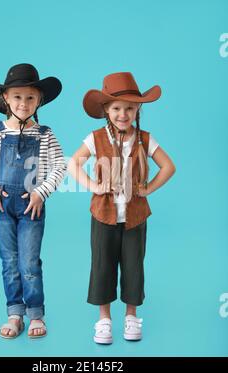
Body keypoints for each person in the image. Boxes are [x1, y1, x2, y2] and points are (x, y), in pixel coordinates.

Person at [68, 72, 175, 344]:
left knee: (133, 266)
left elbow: (169, 166)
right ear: (106, 109)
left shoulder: (145, 139)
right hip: (104, 215)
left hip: (135, 217)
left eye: (129, 108)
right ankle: (104, 319)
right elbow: (73, 164)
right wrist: (94, 185)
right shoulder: (96, 138)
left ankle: (131, 316)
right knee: (103, 265)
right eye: (116, 108)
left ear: (138, 108)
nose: (123, 114)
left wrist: (147, 189)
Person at [0, 64, 66, 339]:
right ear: (5, 99)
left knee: (29, 261)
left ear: (39, 100)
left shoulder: (45, 134)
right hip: (1, 206)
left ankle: (36, 313)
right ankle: (15, 313)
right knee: (9, 261)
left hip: (31, 207)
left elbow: (60, 166)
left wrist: (41, 192)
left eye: (29, 97)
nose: (23, 103)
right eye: (17, 97)